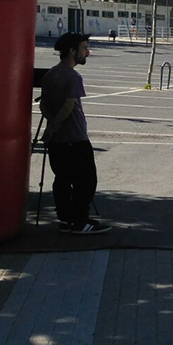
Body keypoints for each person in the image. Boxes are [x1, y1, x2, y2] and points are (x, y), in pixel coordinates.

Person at [40, 33, 110, 235]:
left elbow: (43, 104)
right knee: (86, 181)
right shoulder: (73, 76)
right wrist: (55, 126)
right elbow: (69, 105)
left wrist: (51, 126)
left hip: (57, 141)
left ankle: (65, 219)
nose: (87, 52)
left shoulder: (50, 74)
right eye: (84, 48)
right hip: (74, 138)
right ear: (72, 51)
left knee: (62, 179)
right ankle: (80, 221)